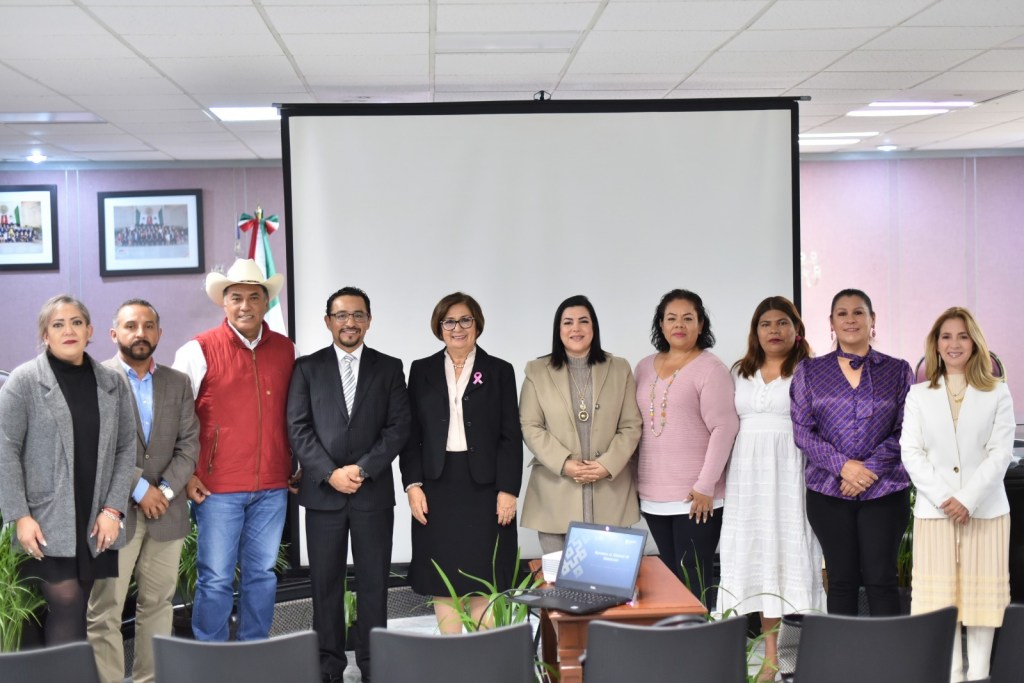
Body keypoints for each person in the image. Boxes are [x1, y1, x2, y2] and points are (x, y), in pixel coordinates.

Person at [287, 287, 411, 683]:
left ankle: (375, 668)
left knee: (374, 584)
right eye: (341, 315)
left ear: (369, 320)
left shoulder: (389, 367)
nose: (350, 322)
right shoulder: (306, 368)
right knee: (325, 586)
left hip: (372, 494)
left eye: (358, 315)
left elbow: (398, 427)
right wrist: (330, 473)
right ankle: (329, 669)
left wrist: (362, 469)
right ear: (328, 321)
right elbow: (298, 428)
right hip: (323, 496)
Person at [172, 258, 296, 641]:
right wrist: (187, 473)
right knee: (216, 578)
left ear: (265, 302)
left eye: (254, 297)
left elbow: (296, 413)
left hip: (272, 487)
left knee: (262, 575)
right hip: (216, 489)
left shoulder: (287, 350)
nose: (245, 306)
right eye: (236, 297)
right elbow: (175, 418)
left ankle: (253, 652)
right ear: (224, 302)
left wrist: (297, 462)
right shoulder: (197, 350)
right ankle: (211, 657)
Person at [0, 295, 135, 645]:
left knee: (79, 604)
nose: (68, 330)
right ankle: (60, 671)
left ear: (90, 331)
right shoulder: (24, 380)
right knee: (63, 603)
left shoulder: (112, 382)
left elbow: (125, 449)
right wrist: (19, 516)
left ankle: (63, 670)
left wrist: (113, 509)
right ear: (45, 335)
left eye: (76, 322)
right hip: (44, 517)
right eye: (58, 324)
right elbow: (5, 450)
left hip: (95, 516)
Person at [85, 300, 199, 683]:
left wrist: (162, 491)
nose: (140, 333)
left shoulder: (178, 382)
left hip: (167, 513)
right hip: (113, 514)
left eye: (149, 326)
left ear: (159, 333)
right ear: (113, 333)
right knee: (106, 610)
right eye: (131, 325)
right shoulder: (94, 380)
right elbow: (94, 446)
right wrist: (139, 489)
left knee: (158, 606)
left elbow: (189, 445)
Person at [900, 307, 1014, 682]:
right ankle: (951, 675)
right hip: (936, 513)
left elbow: (1000, 453)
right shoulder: (918, 395)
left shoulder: (997, 392)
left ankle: (979, 675)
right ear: (935, 345)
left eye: (962, 336)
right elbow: (911, 452)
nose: (954, 344)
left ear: (975, 343)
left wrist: (967, 499)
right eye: (946, 336)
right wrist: (945, 499)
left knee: (982, 603)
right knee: (941, 602)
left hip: (985, 512)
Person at [399, 292, 522, 633]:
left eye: (465, 320)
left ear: (477, 324)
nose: (458, 328)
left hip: (486, 488)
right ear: (439, 327)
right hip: (436, 486)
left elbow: (510, 435)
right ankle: (452, 654)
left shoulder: (499, 371)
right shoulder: (421, 370)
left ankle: (483, 654)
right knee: (443, 578)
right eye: (449, 321)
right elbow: (411, 435)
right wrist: (413, 485)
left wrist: (508, 489)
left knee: (484, 575)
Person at [716, 296, 825, 681]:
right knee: (759, 560)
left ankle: (810, 656)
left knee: (790, 556)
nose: (774, 330)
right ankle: (771, 658)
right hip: (748, 477)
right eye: (766, 324)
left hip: (791, 472)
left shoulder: (810, 371)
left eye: (782, 323)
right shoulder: (739, 372)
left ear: (797, 330)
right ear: (755, 331)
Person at [791, 287, 913, 616]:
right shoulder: (809, 371)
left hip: (885, 490)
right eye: (842, 314)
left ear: (873, 319)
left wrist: (867, 470)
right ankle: (843, 651)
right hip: (828, 491)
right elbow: (802, 431)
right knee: (841, 580)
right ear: (831, 322)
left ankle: (888, 650)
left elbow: (907, 429)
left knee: (881, 579)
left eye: (858, 312)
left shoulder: (898, 370)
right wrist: (844, 467)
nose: (850, 319)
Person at [634, 289, 739, 606]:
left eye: (688, 318)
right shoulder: (643, 367)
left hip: (697, 496)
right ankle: (675, 635)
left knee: (694, 577)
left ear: (700, 324)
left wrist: (705, 485)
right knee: (668, 576)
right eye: (671, 318)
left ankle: (699, 635)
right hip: (653, 494)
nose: (679, 325)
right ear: (661, 324)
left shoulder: (711, 368)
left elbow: (724, 427)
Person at [519, 294, 642, 554]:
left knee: (607, 573)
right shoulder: (537, 371)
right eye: (568, 322)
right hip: (554, 494)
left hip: (611, 492)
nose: (576, 328)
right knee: (559, 575)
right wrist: (564, 463)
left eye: (583, 321)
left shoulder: (619, 368)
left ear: (593, 328)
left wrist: (606, 465)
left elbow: (631, 425)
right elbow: (530, 426)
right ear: (558, 330)